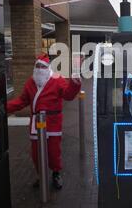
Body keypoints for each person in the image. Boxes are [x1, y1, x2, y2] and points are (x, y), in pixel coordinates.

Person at [7, 54, 81, 190]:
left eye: (43, 66)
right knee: (36, 152)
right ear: (35, 67)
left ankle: (56, 173)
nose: (40, 69)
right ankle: (41, 175)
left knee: (53, 151)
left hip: (53, 122)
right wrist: (3, 108)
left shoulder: (57, 79)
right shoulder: (31, 82)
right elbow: (22, 101)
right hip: (36, 122)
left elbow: (68, 95)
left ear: (48, 68)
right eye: (38, 66)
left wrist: (74, 83)